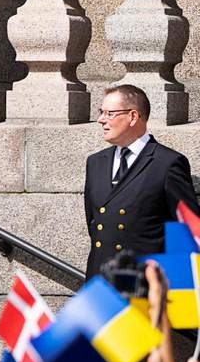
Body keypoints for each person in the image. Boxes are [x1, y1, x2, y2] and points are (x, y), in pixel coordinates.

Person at [83, 83, 198, 279]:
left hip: (145, 284)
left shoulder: (167, 163)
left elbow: (187, 230)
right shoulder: (96, 162)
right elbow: (94, 222)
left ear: (133, 116)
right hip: (100, 283)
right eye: (101, 112)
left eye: (109, 113)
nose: (101, 120)